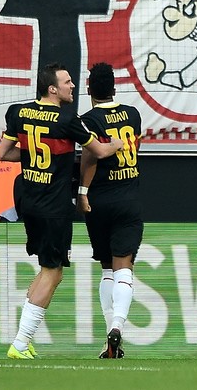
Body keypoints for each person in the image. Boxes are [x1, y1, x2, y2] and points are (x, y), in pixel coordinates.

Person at [0, 63, 122, 360]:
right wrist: (117, 141)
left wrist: (33, 155)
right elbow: (101, 151)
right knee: (53, 274)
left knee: (46, 269)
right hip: (54, 207)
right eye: (67, 82)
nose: (72, 86)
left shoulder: (18, 112)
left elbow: (4, 153)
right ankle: (19, 343)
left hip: (29, 202)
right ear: (52, 88)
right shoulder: (68, 118)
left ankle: (22, 341)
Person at [78, 62, 144, 359]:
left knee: (107, 268)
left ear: (89, 88)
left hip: (98, 201)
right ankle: (117, 326)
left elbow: (89, 160)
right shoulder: (133, 114)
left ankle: (110, 344)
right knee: (124, 268)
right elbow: (135, 148)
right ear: (115, 87)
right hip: (128, 199)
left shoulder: (87, 120)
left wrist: (82, 192)